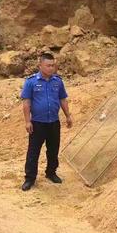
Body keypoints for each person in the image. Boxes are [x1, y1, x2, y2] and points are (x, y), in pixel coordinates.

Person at [20, 52, 72, 191]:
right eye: (48, 65)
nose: (51, 68)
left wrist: (68, 115)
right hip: (37, 123)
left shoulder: (58, 81)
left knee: (53, 150)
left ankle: (51, 173)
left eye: (53, 65)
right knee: (33, 152)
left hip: (53, 122)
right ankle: (30, 178)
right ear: (40, 66)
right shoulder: (31, 82)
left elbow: (62, 99)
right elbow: (26, 103)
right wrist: (27, 121)